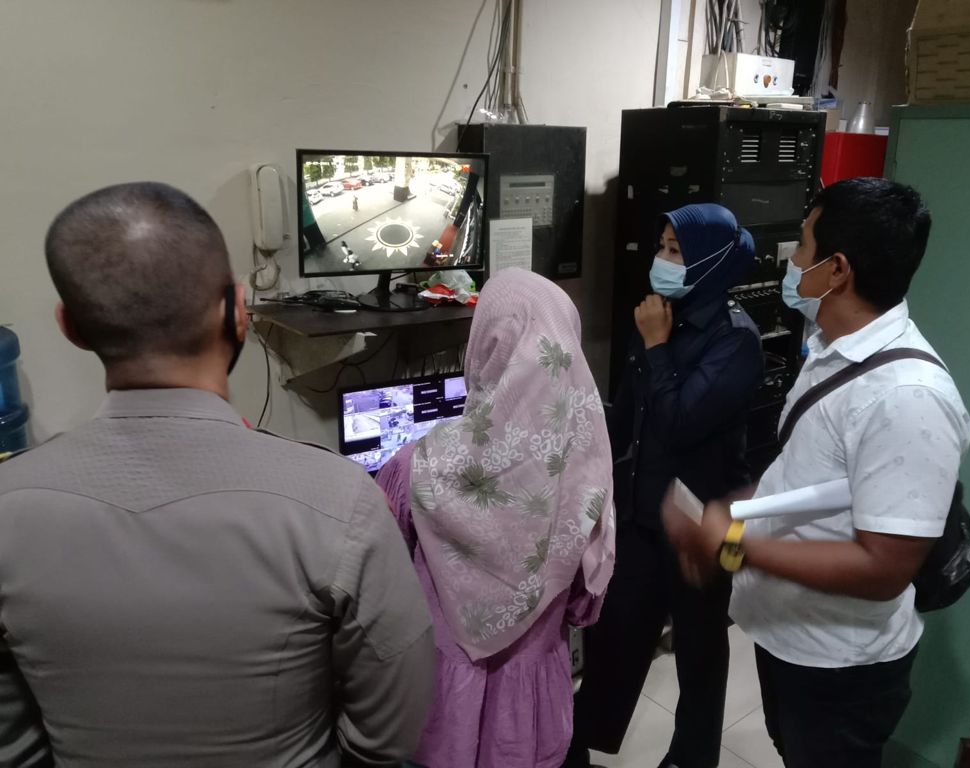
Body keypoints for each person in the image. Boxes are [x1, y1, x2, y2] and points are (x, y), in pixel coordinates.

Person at [0, 182, 434, 767]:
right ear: (235, 309)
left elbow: (14, 744)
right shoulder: (339, 500)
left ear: (70, 326)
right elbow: (390, 734)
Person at [662, 178, 970, 768]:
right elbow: (810, 481)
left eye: (803, 247)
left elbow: (884, 568)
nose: (793, 261)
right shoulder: (833, 347)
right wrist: (738, 513)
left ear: (837, 271)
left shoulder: (907, 396)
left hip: (841, 668)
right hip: (789, 639)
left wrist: (733, 542)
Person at [374, 268, 616, 768]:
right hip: (530, 707)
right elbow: (582, 608)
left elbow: (382, 577)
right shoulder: (589, 475)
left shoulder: (413, 467)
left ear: (487, 346)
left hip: (440, 695)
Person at [567, 204, 763, 768]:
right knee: (615, 635)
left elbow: (679, 425)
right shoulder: (658, 315)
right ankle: (574, 745)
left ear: (709, 261)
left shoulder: (736, 340)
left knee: (699, 651)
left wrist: (656, 346)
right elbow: (629, 416)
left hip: (712, 524)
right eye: (661, 246)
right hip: (643, 512)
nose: (661, 260)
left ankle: (691, 756)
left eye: (675, 251)